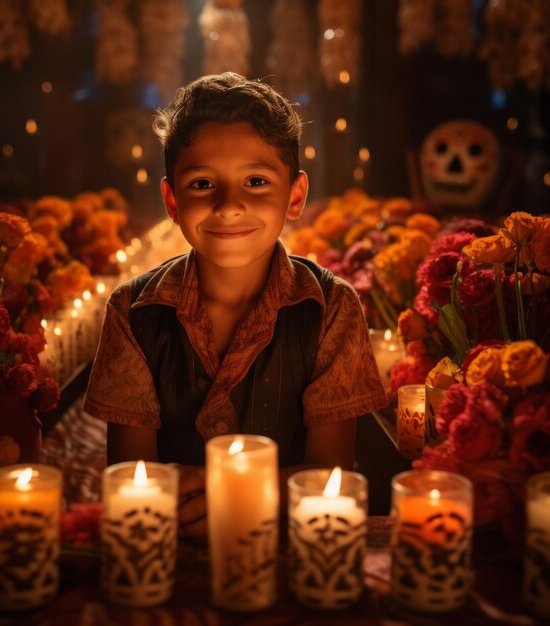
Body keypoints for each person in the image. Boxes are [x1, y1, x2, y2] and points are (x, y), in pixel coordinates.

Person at [84, 72, 388, 542]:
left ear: (295, 196)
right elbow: (130, 482)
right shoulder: (133, 312)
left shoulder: (329, 308)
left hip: (288, 551)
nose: (229, 205)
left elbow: (330, 478)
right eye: (203, 183)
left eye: (256, 181)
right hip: (169, 549)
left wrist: (228, 489)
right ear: (171, 201)